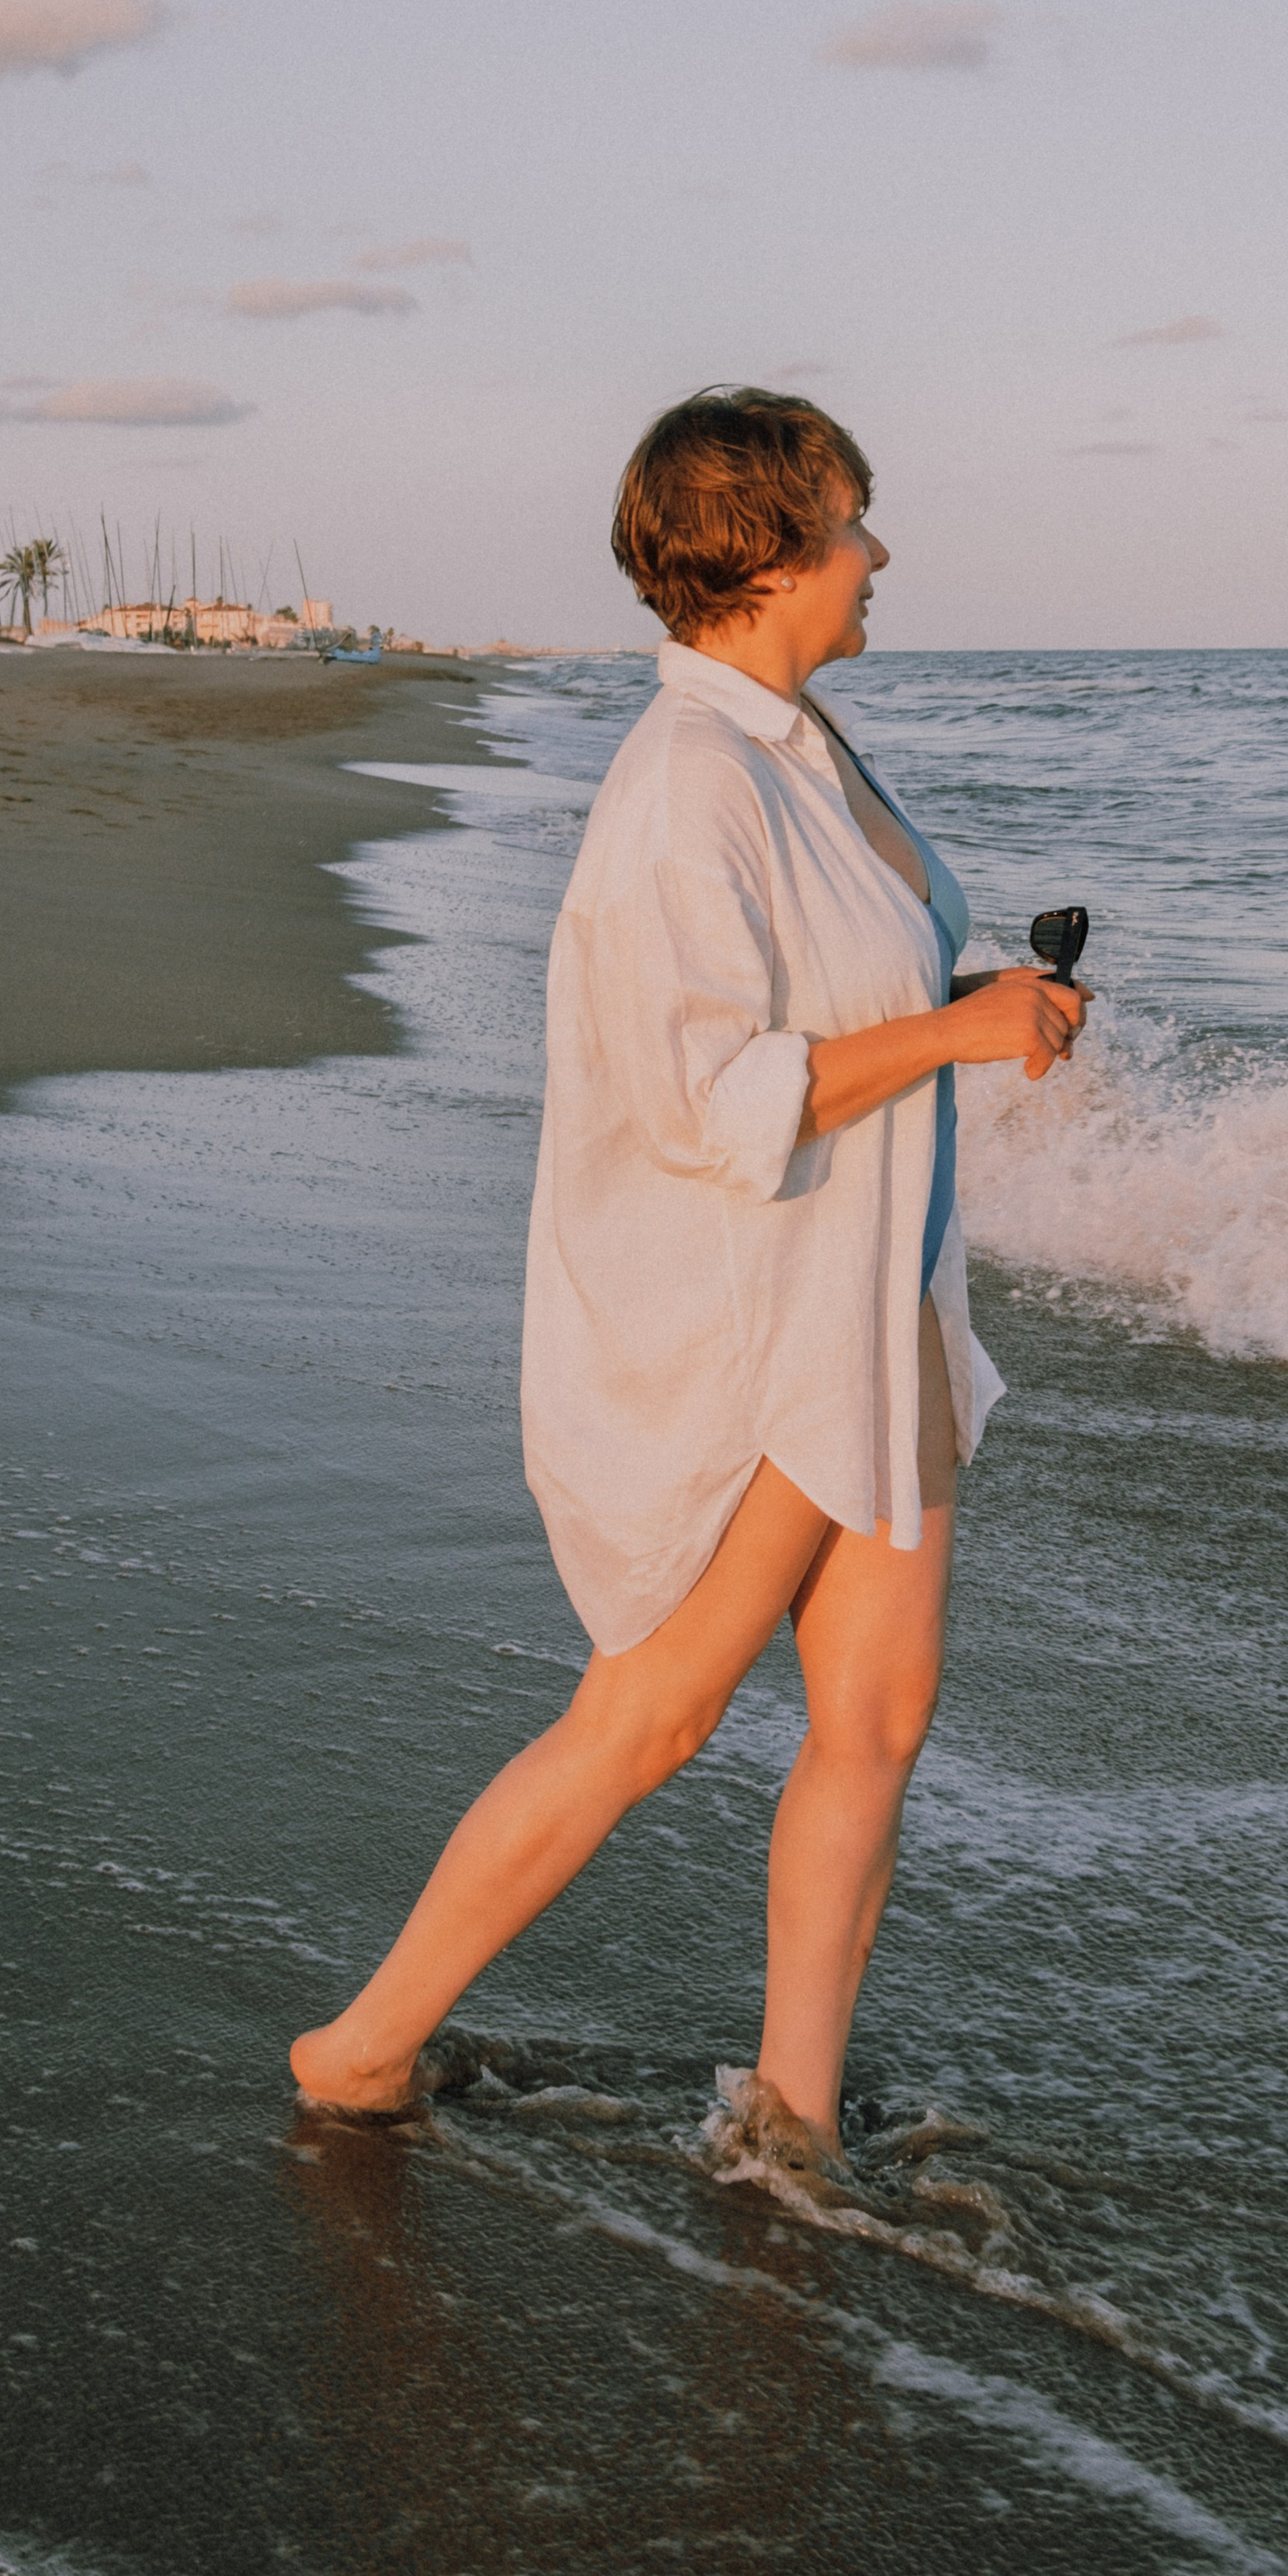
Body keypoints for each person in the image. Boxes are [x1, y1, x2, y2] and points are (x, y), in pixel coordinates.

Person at [291, 389, 1086, 2171]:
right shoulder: (688, 787)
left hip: (880, 1297)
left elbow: (834, 993)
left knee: (873, 1722)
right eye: (856, 521)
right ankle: (358, 2043)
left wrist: (982, 1005)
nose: (880, 554)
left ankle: (789, 2118)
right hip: (768, 1321)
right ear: (772, 548)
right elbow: (712, 1096)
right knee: (646, 1716)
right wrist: (956, 1026)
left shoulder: (797, 749)